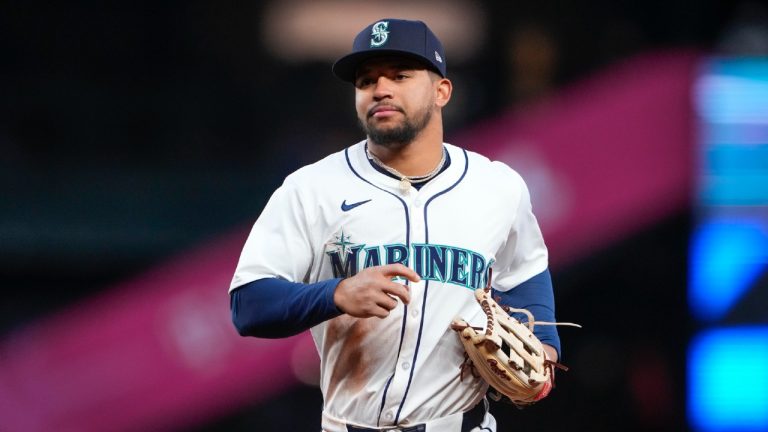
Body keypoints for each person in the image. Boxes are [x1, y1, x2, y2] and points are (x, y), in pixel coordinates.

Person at [229, 18, 562, 432]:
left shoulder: (497, 186)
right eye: (367, 81)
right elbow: (248, 304)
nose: (380, 89)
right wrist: (336, 293)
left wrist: (546, 343)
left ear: (442, 91)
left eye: (400, 75)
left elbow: (526, 269)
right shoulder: (311, 189)